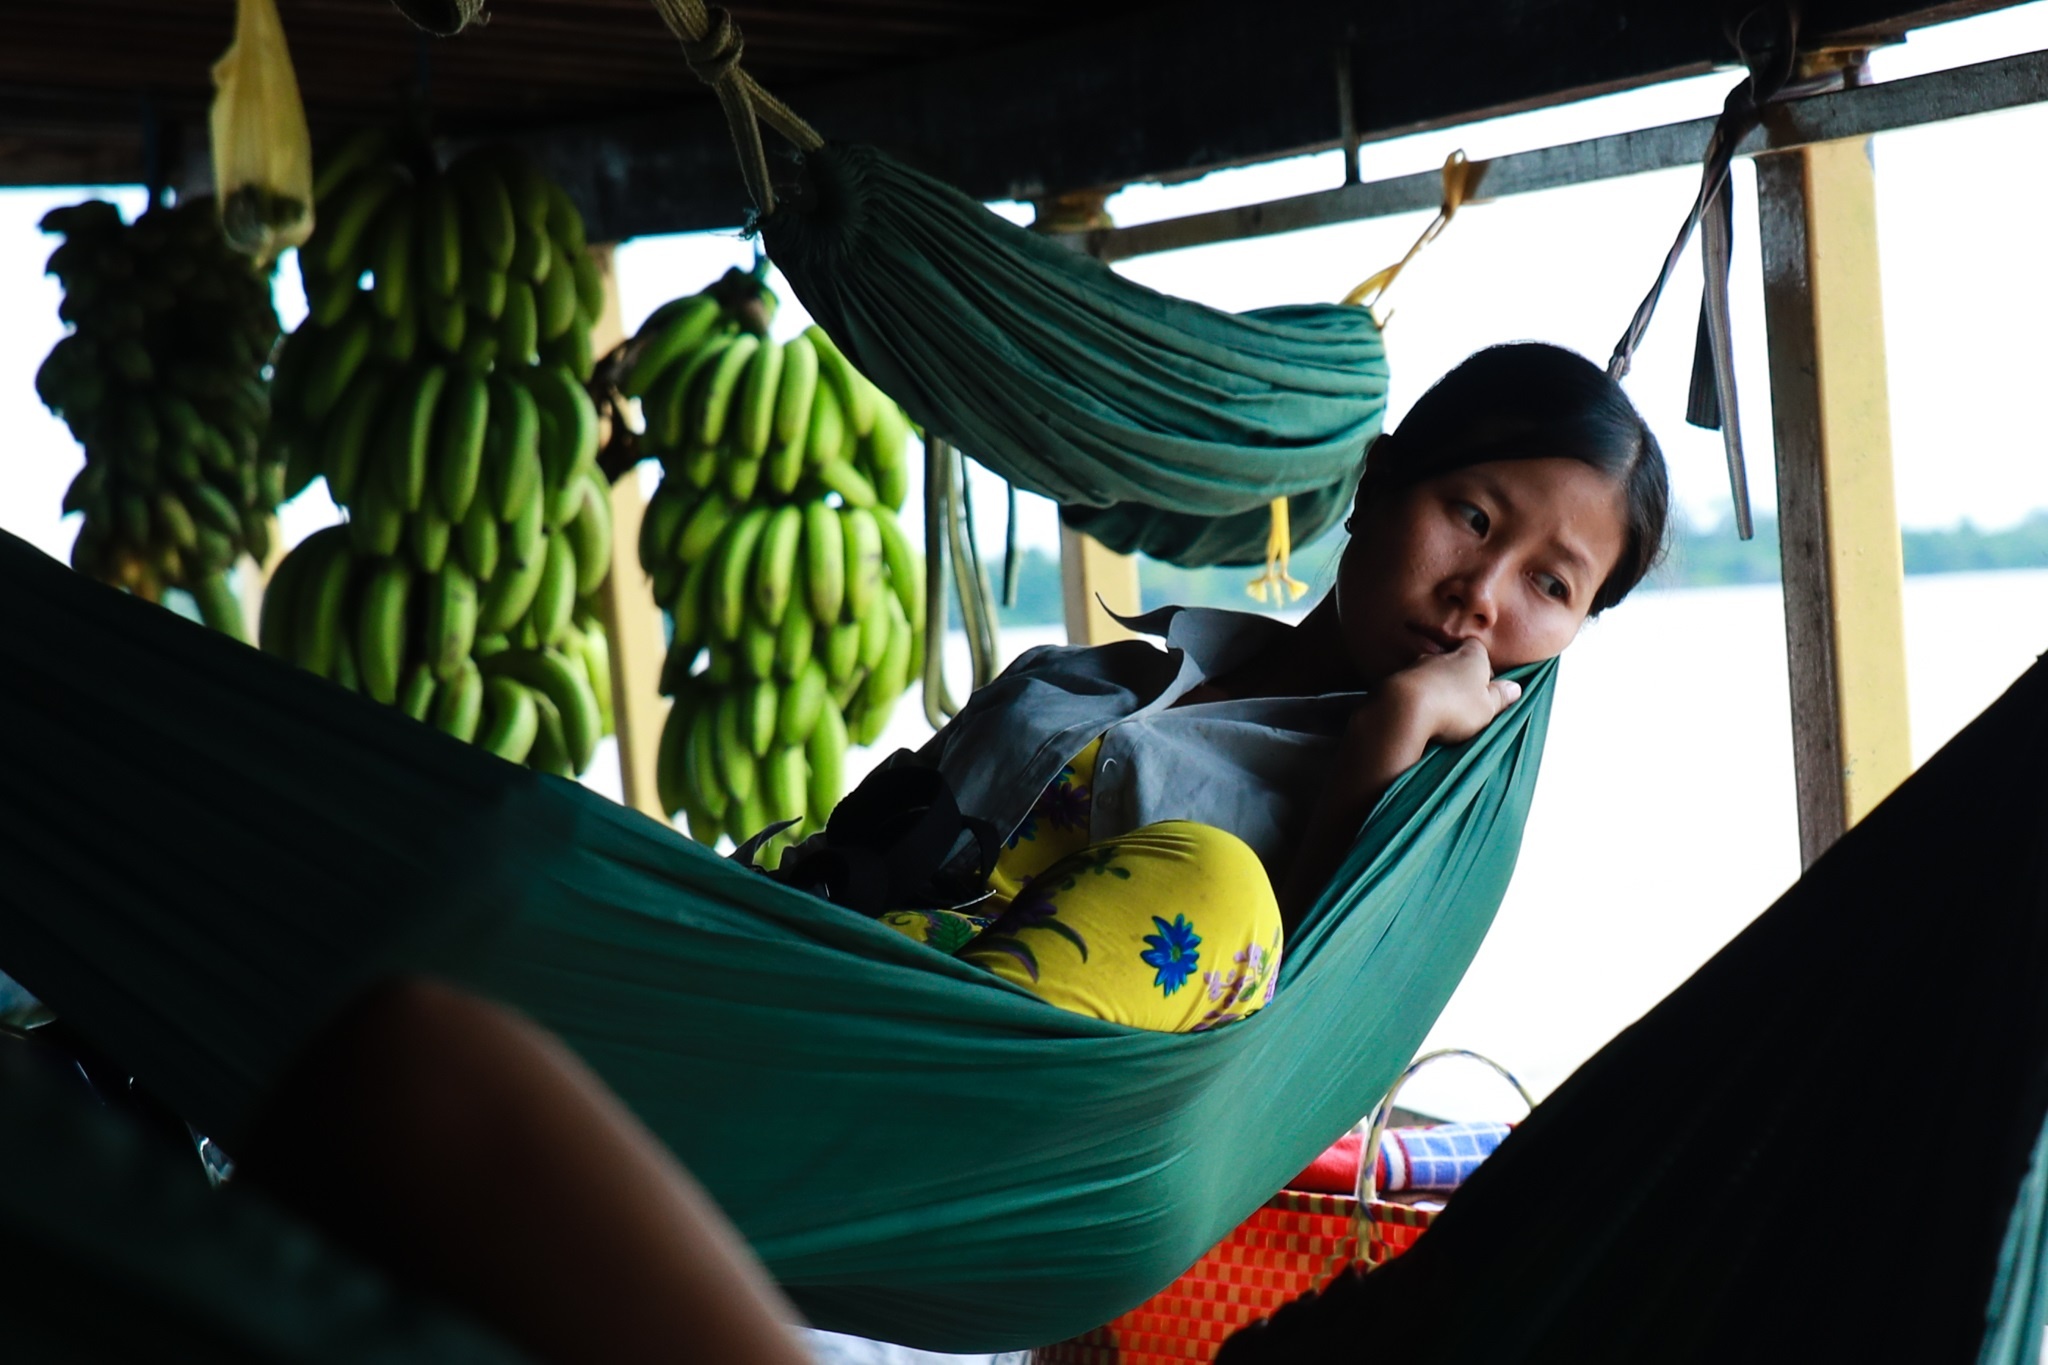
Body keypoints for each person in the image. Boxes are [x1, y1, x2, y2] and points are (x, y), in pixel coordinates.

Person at [851, 340, 1666, 1031]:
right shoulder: (1078, 675)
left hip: (944, 1093)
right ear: (1375, 486)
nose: (1481, 593)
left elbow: (1280, 1043)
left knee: (1219, 886)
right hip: (813, 980)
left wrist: (1387, 735)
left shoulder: (1398, 831)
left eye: (1551, 585)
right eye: (1473, 518)